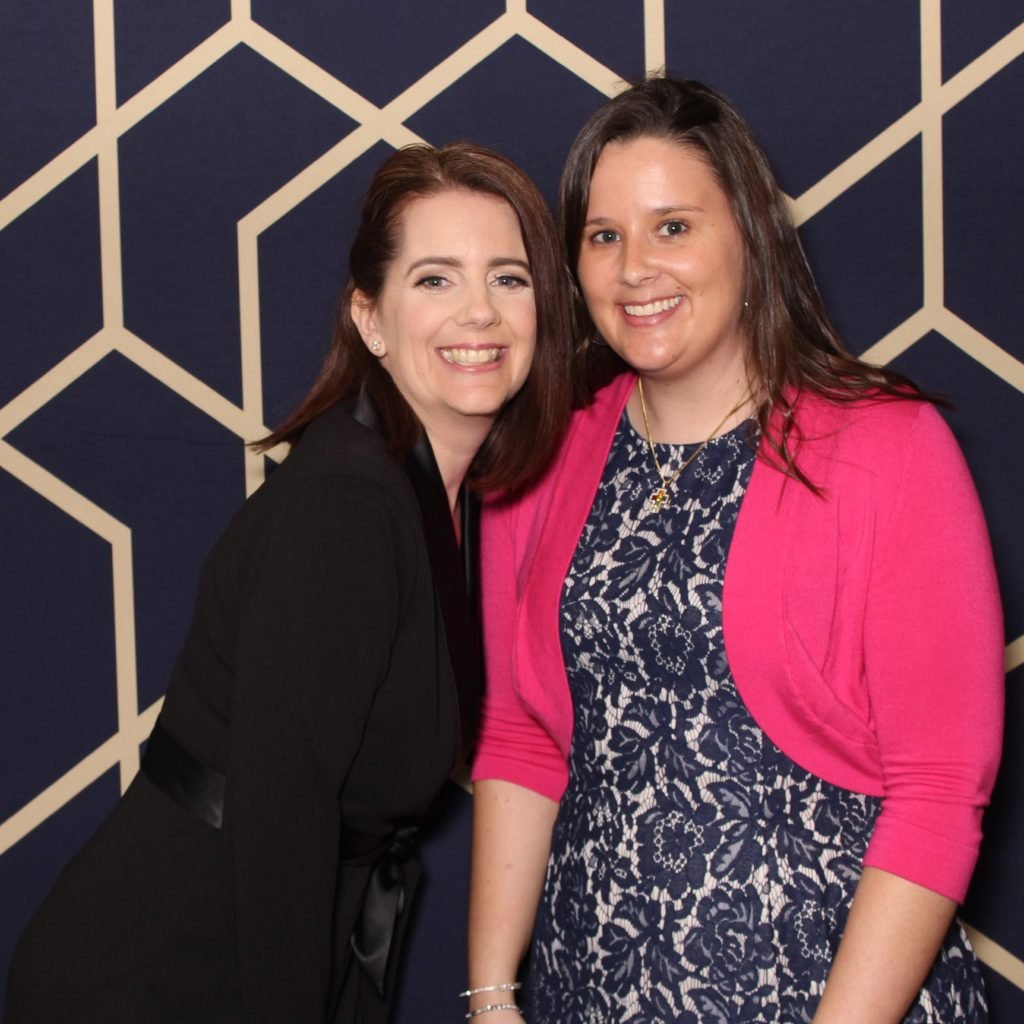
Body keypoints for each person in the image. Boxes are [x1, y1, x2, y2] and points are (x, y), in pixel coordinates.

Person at [467, 78, 1003, 1023]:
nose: (636, 268)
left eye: (673, 226)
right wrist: (491, 994)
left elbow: (939, 791)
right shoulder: (542, 455)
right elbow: (520, 738)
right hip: (585, 996)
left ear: (750, 239)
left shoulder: (889, 448)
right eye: (604, 235)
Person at [5, 142, 572, 1024]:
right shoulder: (349, 505)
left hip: (248, 954)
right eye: (434, 279)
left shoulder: (420, 492)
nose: (480, 313)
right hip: (159, 978)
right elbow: (281, 821)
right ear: (370, 319)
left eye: (509, 278)